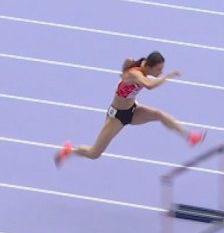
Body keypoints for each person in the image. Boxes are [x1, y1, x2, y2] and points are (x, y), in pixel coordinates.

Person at [54, 52, 205, 167]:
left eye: (162, 70)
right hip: (117, 116)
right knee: (94, 153)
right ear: (149, 67)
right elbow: (149, 85)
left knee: (159, 115)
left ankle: (189, 136)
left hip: (132, 110)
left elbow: (128, 61)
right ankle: (69, 150)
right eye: (158, 69)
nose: (160, 72)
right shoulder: (136, 73)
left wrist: (125, 66)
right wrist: (167, 76)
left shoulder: (142, 66)